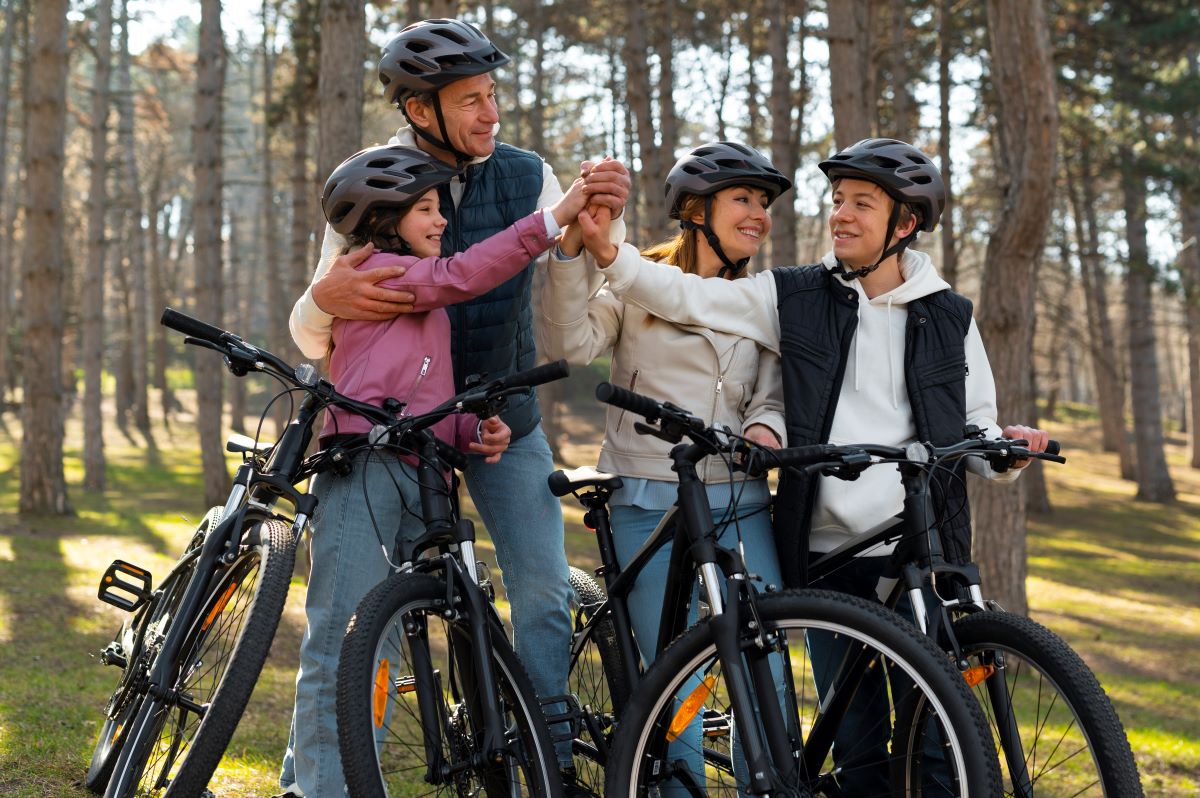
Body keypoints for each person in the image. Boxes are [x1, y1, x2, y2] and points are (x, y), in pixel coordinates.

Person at [576, 137, 1049, 794]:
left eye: (861, 203)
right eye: (838, 201)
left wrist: (1006, 452)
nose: (841, 215)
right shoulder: (793, 295)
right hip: (828, 556)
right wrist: (610, 254)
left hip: (920, 548)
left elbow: (976, 426)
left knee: (942, 741)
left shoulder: (949, 316)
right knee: (857, 741)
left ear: (904, 224)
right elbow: (687, 296)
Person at [283, 19, 630, 797]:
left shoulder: (529, 173)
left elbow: (567, 313)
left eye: (492, 96)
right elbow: (313, 335)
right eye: (470, 100)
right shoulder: (372, 185)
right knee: (362, 620)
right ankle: (316, 779)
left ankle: (547, 764)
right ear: (419, 110)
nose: (489, 113)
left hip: (501, 424)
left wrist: (579, 242)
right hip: (397, 437)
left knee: (542, 594)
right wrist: (322, 296)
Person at [541, 141, 791, 794]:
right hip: (646, 499)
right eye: (745, 199)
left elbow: (772, 392)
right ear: (695, 209)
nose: (759, 215)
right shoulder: (635, 280)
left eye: (763, 203)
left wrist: (766, 426)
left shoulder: (765, 301)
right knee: (675, 672)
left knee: (766, 663)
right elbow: (568, 342)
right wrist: (571, 253)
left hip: (740, 499)